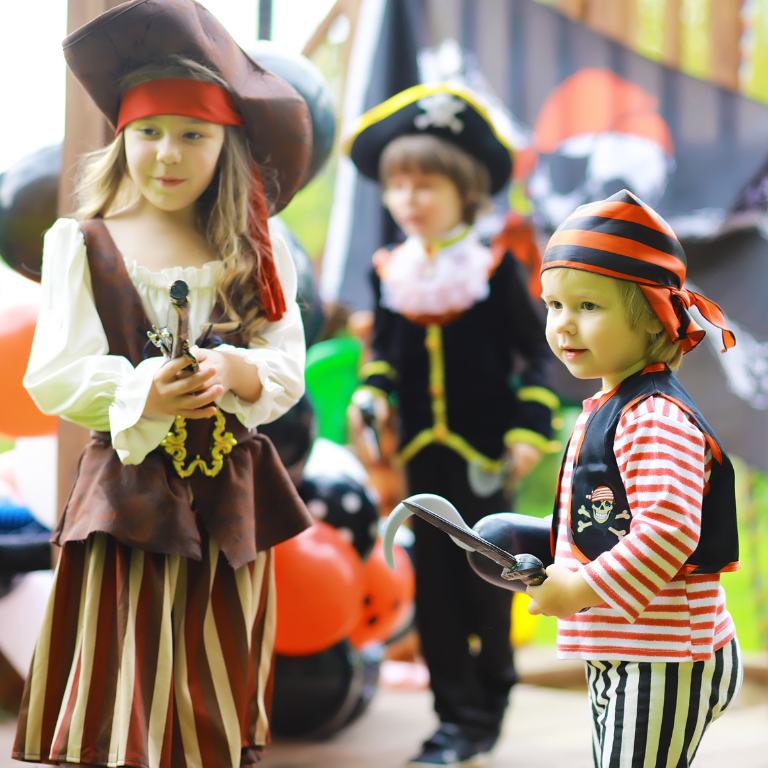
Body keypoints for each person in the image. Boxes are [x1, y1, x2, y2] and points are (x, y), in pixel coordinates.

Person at [12, 2, 314, 767]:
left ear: (226, 144)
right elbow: (54, 373)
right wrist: (143, 389)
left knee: (213, 681)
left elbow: (284, 357)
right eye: (149, 132)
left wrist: (236, 369)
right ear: (122, 138)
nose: (168, 154)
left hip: (229, 500)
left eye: (193, 135)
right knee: (129, 677)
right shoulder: (82, 243)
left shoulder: (256, 241)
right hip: (131, 502)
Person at [345, 83, 559, 767]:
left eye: (425, 182)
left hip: (485, 459)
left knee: (488, 586)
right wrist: (371, 399)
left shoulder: (493, 269)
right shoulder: (391, 272)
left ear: (465, 190)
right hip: (419, 463)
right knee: (433, 590)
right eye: (397, 184)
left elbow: (538, 358)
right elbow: (384, 356)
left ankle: (490, 700)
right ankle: (453, 720)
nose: (409, 198)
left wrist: (529, 431)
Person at [528, 189, 743, 767]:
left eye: (588, 307)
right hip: (632, 647)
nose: (563, 324)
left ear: (652, 315)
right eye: (553, 305)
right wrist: (541, 540)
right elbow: (606, 518)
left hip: (666, 654)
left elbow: (669, 529)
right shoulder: (612, 406)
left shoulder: (653, 417)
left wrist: (577, 589)